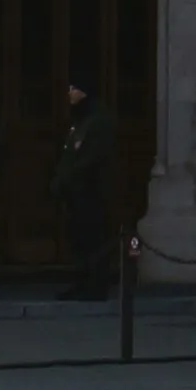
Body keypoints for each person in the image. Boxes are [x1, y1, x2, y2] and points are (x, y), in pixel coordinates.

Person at [48, 78, 119, 302]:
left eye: (74, 88)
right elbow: (70, 156)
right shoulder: (80, 121)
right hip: (77, 193)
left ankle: (96, 286)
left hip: (92, 192)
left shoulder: (99, 121)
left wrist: (68, 178)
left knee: (93, 239)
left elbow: (91, 159)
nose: (70, 93)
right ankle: (82, 283)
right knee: (78, 240)